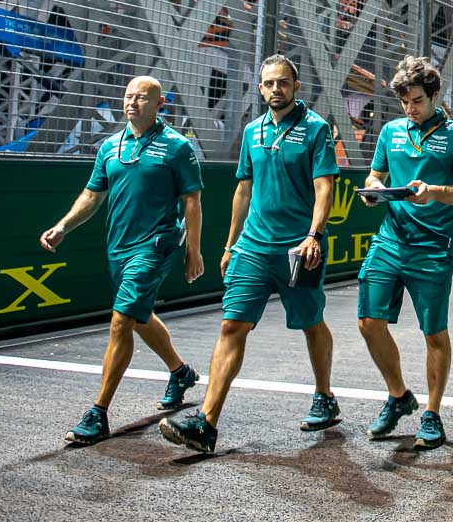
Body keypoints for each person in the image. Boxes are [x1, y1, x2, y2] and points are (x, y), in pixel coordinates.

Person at [160, 54, 340, 454]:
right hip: (253, 247)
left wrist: (314, 234)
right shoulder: (253, 131)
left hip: (299, 248)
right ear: (260, 89)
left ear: (296, 86)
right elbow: (243, 189)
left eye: (283, 82)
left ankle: (324, 395)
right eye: (269, 83)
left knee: (312, 323)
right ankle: (206, 423)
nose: (276, 89)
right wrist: (229, 244)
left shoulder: (316, 130)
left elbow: (325, 188)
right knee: (232, 327)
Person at [40, 75, 204, 445]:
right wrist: (64, 226)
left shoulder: (177, 147)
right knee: (139, 315)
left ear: (160, 103)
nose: (132, 103)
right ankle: (180, 372)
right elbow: (92, 194)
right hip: (119, 247)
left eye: (142, 97)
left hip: (155, 244)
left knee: (121, 321)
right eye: (128, 96)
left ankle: (98, 413)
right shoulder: (110, 147)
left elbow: (191, 202)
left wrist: (193, 249)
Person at [356, 56, 453, 449]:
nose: (410, 109)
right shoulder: (391, 131)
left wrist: (434, 192)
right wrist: (374, 189)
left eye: (417, 101)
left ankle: (432, 413)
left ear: (435, 95)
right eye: (405, 102)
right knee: (368, 322)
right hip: (390, 240)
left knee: (434, 334)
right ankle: (399, 396)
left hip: (432, 248)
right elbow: (376, 175)